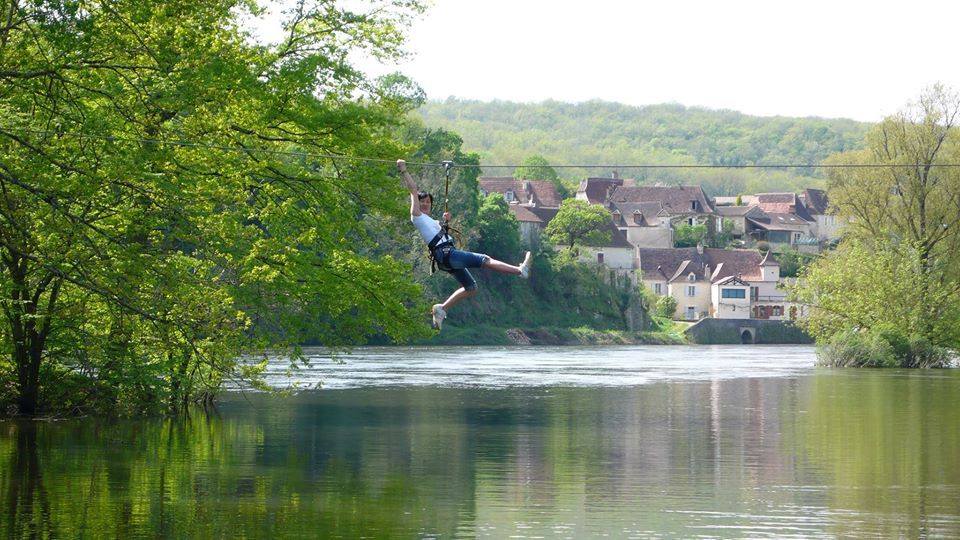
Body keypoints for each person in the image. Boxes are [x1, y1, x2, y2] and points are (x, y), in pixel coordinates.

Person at [397, 159, 532, 330]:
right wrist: (404, 170)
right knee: (485, 259)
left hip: (446, 257)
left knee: (471, 287)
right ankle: (520, 271)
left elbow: (440, 236)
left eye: (428, 202)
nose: (424, 204)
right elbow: (413, 190)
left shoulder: (432, 222)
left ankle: (441, 309)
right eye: (422, 201)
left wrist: (445, 223)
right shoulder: (416, 216)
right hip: (447, 255)